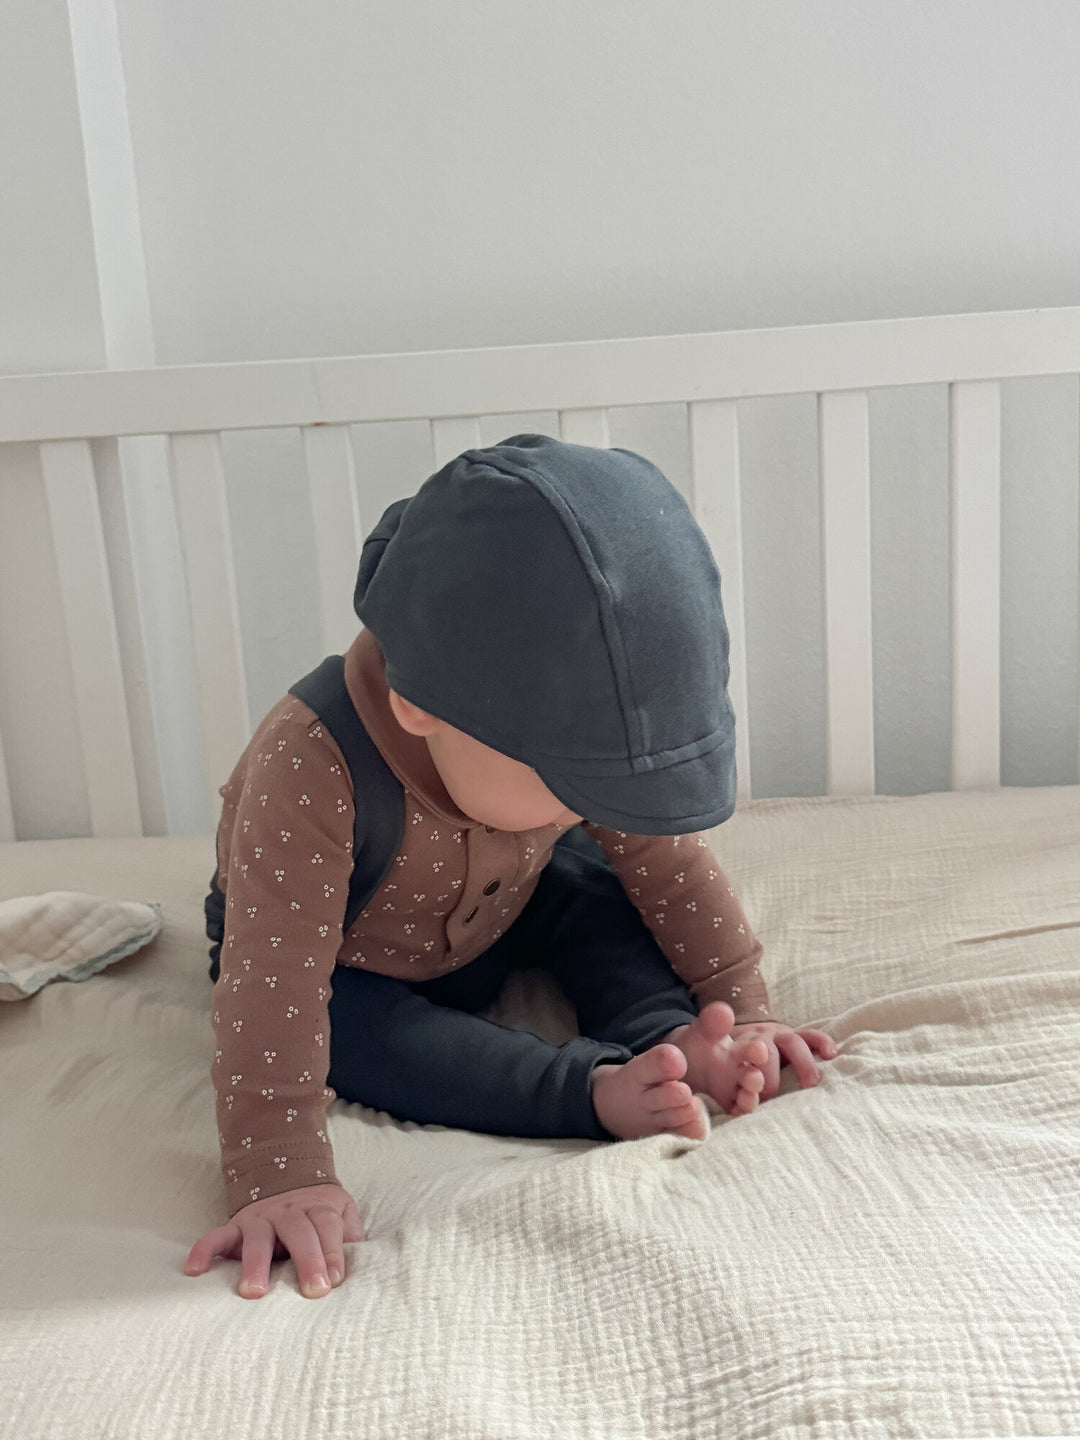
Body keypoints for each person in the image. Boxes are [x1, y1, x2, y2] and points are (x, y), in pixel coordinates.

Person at [184, 434, 836, 1301]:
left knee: (599, 890)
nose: (591, 805)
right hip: (346, 960)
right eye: (571, 782)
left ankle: (668, 1036)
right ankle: (589, 1093)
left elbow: (669, 868)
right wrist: (278, 1170)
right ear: (422, 704)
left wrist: (740, 1012)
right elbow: (272, 988)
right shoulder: (307, 769)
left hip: (506, 898)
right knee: (361, 1034)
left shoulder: (540, 717)